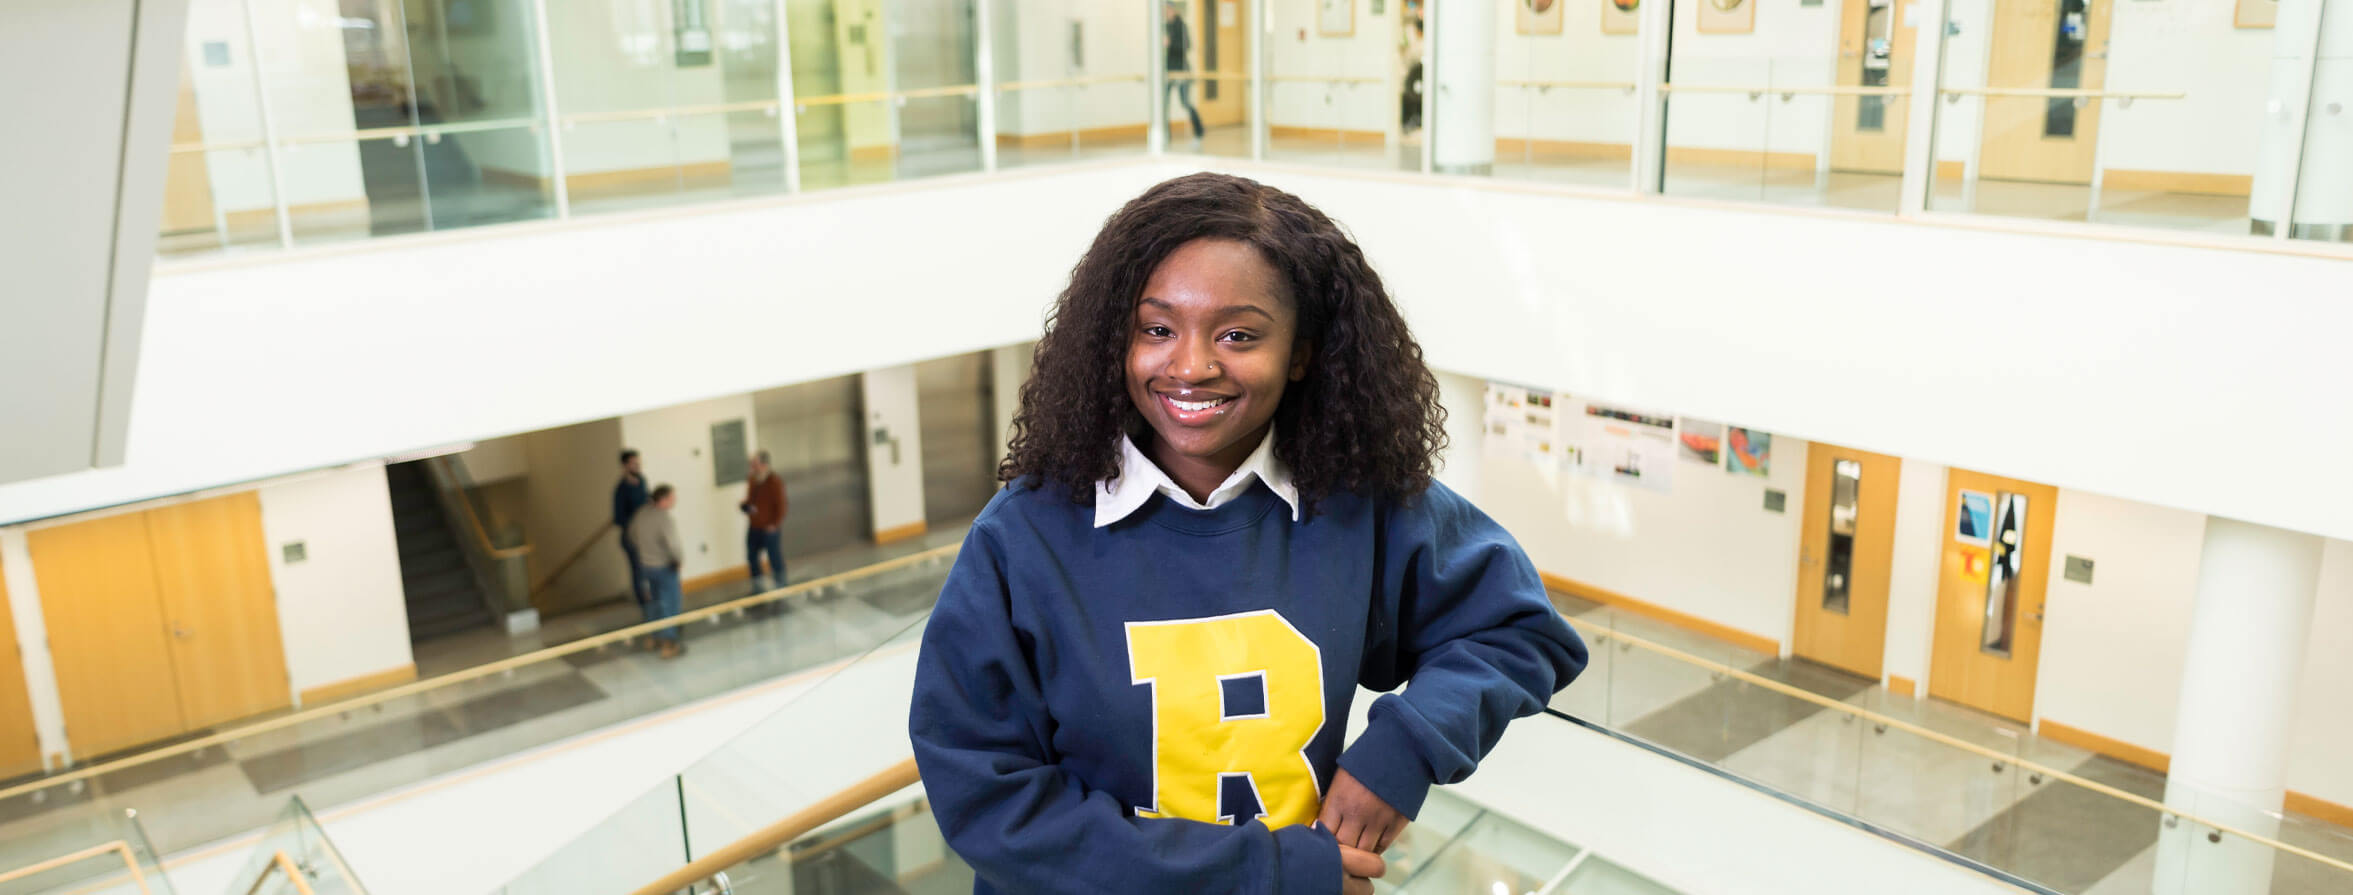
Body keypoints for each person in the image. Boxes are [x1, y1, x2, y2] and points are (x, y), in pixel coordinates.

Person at [908, 173, 1587, 895]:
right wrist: (1267, 876)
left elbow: (1519, 629)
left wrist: (1403, 749)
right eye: (1157, 328)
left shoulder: (1364, 505)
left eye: (1237, 334)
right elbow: (988, 798)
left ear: (1300, 353)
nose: (1191, 365)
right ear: (1116, 339)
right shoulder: (1022, 537)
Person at [626, 484, 687, 659]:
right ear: (664, 499)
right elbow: (673, 544)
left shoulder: (641, 514)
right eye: (672, 497)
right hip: (664, 567)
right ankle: (669, 644)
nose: (674, 501)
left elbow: (630, 535)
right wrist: (679, 560)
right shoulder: (664, 518)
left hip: (646, 566)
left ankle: (652, 638)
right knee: (670, 604)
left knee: (653, 603)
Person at [740, 449, 789, 593]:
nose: (752, 467)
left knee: (775, 559)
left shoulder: (774, 481)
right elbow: (751, 501)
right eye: (751, 464)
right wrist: (745, 507)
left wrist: (775, 524)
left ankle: (781, 587)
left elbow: (781, 505)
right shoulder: (752, 479)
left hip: (769, 529)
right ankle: (758, 588)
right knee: (752, 557)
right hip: (754, 526)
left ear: (764, 465)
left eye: (755, 464)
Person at [612, 449, 651, 613]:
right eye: (634, 463)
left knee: (650, 567)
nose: (637, 466)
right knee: (638, 570)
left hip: (646, 535)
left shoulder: (641, 481)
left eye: (638, 463)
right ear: (626, 465)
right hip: (632, 537)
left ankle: (653, 601)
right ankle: (645, 606)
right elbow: (618, 518)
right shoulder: (621, 489)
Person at [1162, 1, 1205, 145]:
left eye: (1168, 9)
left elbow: (1187, 46)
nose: (1166, 12)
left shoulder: (1181, 26)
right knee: (1163, 105)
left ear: (1173, 10)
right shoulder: (1164, 27)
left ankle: (1199, 132)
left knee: (1186, 102)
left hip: (1182, 70)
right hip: (1168, 71)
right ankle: (1164, 137)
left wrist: (1170, 43)